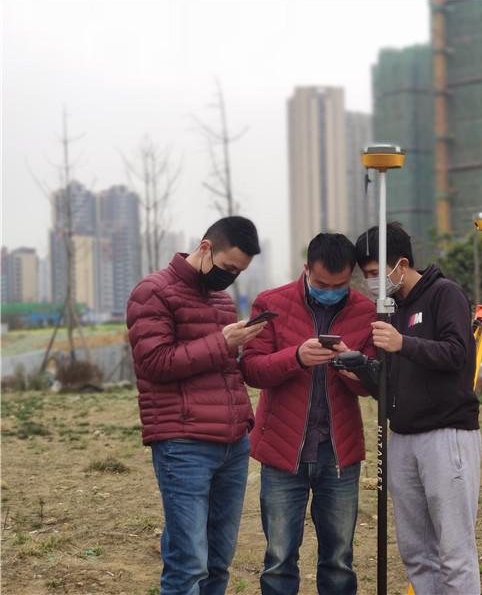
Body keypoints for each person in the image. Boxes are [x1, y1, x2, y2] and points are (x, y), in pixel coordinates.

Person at [126, 216, 266, 595]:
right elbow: (154, 362)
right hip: (183, 443)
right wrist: (223, 342)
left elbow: (223, 369)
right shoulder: (152, 292)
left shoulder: (220, 300)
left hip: (233, 443)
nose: (229, 278)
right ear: (205, 248)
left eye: (238, 272)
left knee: (218, 560)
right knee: (188, 564)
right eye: (227, 268)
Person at [240, 233, 376, 595]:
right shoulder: (271, 304)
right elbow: (251, 369)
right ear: (306, 270)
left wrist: (356, 368)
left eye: (340, 285)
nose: (330, 290)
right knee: (279, 559)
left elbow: (373, 384)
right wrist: (296, 357)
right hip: (283, 453)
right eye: (321, 284)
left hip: (340, 453)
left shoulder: (365, 311)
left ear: (351, 278)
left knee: (339, 559)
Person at [355, 222, 482, 595]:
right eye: (366, 276)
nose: (373, 282)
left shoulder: (446, 295)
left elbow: (458, 354)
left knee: (454, 550)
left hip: (447, 435)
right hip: (404, 438)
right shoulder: (390, 310)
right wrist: (361, 370)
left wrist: (403, 343)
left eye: (378, 273)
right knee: (416, 551)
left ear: (403, 263)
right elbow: (393, 381)